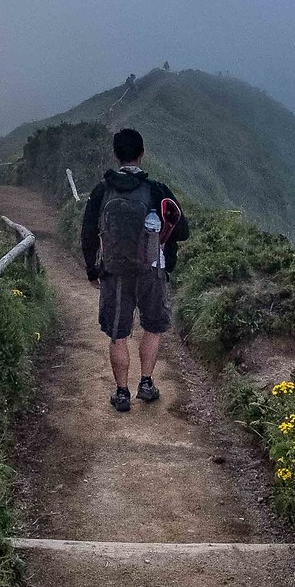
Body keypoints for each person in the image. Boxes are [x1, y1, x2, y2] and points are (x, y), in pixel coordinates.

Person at [79, 127, 190, 412]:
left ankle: (121, 393)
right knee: (152, 328)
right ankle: (147, 383)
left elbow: (89, 232)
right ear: (142, 154)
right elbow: (182, 230)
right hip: (151, 270)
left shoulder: (102, 191)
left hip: (114, 271)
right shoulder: (156, 190)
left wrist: (92, 270)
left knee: (118, 333)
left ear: (116, 155)